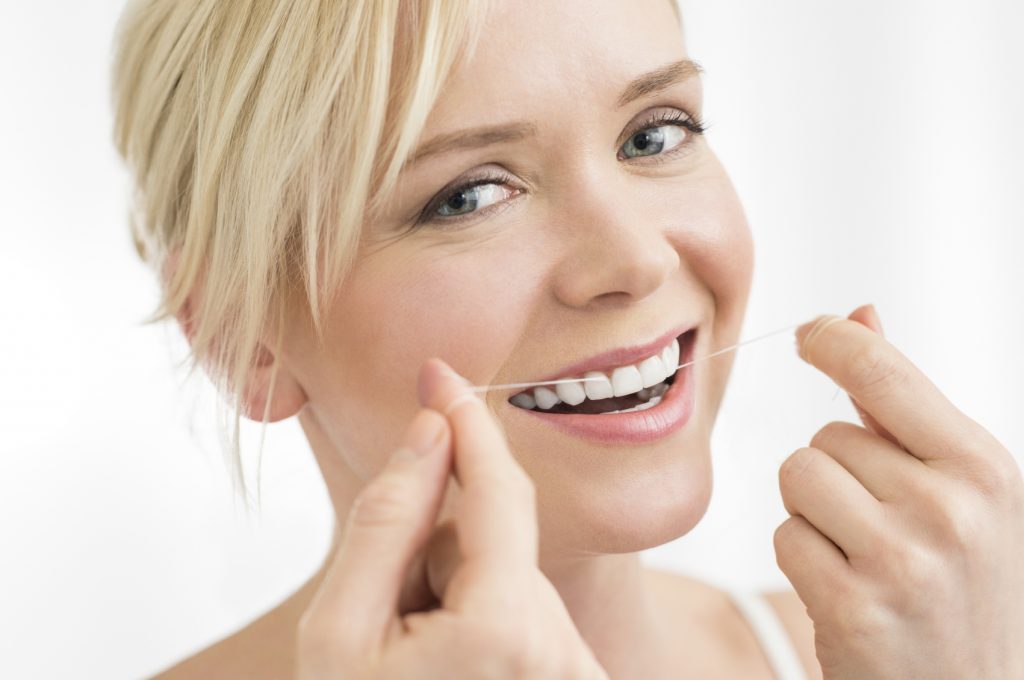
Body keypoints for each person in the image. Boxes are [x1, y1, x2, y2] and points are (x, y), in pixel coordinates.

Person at [110, 0, 1024, 677]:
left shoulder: (906, 652)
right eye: (469, 194)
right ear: (244, 342)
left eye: (654, 135)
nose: (634, 257)